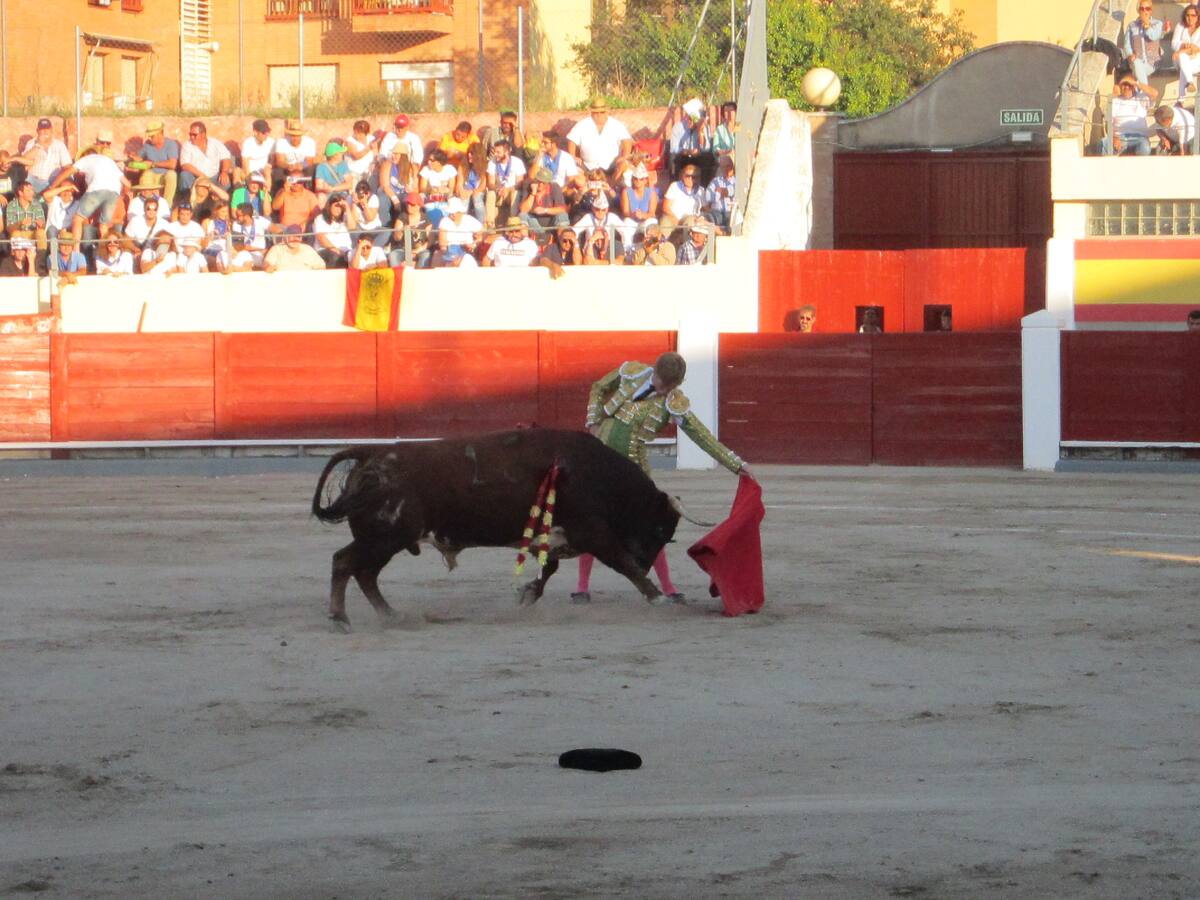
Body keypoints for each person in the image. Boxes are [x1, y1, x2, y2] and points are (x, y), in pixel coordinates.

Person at [573, 351, 753, 603]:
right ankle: (581, 588)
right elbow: (599, 387)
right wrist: (592, 421)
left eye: (667, 385)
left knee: (652, 527)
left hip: (634, 470)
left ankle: (667, 588)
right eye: (659, 380)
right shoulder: (632, 372)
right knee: (592, 520)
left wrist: (735, 464)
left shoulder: (674, 402)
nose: (661, 387)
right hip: (601, 461)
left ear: (675, 385)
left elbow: (701, 436)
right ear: (654, 371)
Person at [49, 140, 128, 245]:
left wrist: (52, 186)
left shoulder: (85, 160)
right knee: (102, 226)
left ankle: (76, 251)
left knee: (77, 219)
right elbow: (127, 183)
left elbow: (66, 173)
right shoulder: (110, 165)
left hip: (98, 191)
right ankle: (104, 250)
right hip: (113, 192)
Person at [566, 99, 634, 180]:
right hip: (587, 166)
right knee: (571, 166)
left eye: (602, 112)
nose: (599, 115)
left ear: (606, 112)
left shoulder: (616, 125)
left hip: (611, 166)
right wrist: (573, 156)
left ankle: (612, 186)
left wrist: (624, 156)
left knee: (625, 165)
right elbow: (571, 141)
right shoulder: (582, 124)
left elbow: (626, 141)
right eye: (596, 112)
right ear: (591, 113)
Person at [16, 118, 72, 195]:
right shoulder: (32, 143)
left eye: (47, 129)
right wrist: (38, 145)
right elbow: (24, 159)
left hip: (53, 181)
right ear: (37, 130)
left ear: (51, 130)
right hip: (34, 181)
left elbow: (67, 166)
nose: (45, 132)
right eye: (42, 129)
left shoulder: (59, 145)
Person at [1106, 74, 1158, 156]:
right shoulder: (1115, 101)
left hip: (1140, 138)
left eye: (1129, 84)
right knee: (1104, 146)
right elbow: (1108, 123)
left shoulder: (1141, 98)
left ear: (1134, 86)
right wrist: (1114, 138)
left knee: (1145, 148)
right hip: (1120, 138)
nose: (1126, 87)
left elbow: (1155, 94)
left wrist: (1136, 83)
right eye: (1124, 85)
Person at [1124, 1, 1171, 85]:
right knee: (1137, 63)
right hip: (1136, 61)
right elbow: (1127, 44)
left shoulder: (1157, 24)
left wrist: (1147, 25)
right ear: (1138, 11)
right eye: (1142, 9)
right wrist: (1130, 54)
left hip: (1152, 62)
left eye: (1147, 9)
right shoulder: (1132, 25)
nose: (1145, 11)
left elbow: (1153, 36)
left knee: (1137, 71)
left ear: (1151, 10)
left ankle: (1144, 92)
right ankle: (1145, 94)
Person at [179, 121, 232, 193]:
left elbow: (226, 157)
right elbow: (185, 165)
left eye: (194, 135)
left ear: (203, 134)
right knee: (184, 175)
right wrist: (202, 177)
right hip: (196, 178)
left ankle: (218, 202)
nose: (191, 137)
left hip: (214, 177)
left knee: (226, 182)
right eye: (190, 134)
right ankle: (187, 201)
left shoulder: (215, 143)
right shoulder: (187, 145)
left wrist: (224, 172)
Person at [136, 121, 180, 204]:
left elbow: (172, 164)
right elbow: (139, 158)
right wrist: (134, 159)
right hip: (151, 174)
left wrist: (153, 164)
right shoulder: (147, 145)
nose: (150, 138)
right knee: (146, 175)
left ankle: (167, 205)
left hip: (164, 175)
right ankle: (146, 204)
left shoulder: (171, 144)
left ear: (160, 134)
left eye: (152, 136)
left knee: (172, 175)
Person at [486, 139, 526, 228]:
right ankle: (490, 224)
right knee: (490, 193)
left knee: (516, 193)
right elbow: (490, 183)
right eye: (494, 151)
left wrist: (507, 190)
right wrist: (497, 189)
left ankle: (513, 222)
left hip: (511, 193)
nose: (495, 154)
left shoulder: (517, 162)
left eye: (498, 152)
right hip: (498, 193)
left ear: (507, 152)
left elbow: (520, 183)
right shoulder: (492, 162)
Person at [433, 196, 482, 268]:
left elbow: (480, 234)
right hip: (450, 250)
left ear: (460, 212)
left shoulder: (469, 220)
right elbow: (442, 244)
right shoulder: (444, 221)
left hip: (466, 250)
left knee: (467, 261)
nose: (452, 215)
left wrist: (473, 244)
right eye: (451, 213)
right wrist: (449, 254)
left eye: (455, 212)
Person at [618, 163, 659, 247]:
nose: (638, 181)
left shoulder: (651, 192)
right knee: (626, 223)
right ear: (632, 179)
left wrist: (643, 215)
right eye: (636, 179)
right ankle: (627, 250)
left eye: (641, 179)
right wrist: (633, 214)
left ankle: (651, 250)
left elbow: (652, 213)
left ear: (645, 180)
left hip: (646, 220)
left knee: (652, 223)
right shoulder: (626, 191)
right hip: (632, 220)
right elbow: (625, 212)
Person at [313, 194, 357, 268]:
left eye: (340, 207)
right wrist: (337, 251)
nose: (338, 209)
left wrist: (347, 207)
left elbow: (352, 227)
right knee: (335, 257)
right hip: (326, 251)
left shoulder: (344, 218)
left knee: (357, 256)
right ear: (329, 206)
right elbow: (321, 238)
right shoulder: (320, 219)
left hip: (345, 251)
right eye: (336, 206)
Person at [519, 166, 569, 232]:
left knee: (562, 216)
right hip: (534, 221)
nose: (540, 184)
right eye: (538, 181)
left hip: (551, 222)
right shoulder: (528, 186)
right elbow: (523, 210)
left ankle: (563, 239)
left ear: (548, 183)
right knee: (522, 216)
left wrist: (545, 210)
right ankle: (525, 240)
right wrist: (533, 192)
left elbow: (562, 209)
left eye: (543, 182)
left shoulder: (554, 187)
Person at [660, 164, 704, 234]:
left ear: (698, 178)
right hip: (672, 217)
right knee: (665, 222)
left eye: (694, 177)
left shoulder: (701, 191)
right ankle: (662, 244)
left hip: (690, 219)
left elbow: (705, 209)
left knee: (690, 221)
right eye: (687, 176)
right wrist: (675, 219)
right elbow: (665, 207)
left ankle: (687, 244)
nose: (690, 179)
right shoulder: (674, 186)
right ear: (683, 176)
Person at [273, 119, 318, 183]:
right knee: (278, 170)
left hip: (302, 167)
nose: (295, 138)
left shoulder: (310, 142)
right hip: (287, 168)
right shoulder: (281, 142)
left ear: (301, 135)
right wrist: (287, 166)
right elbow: (279, 161)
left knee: (310, 169)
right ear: (289, 135)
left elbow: (310, 161)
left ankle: (308, 189)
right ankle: (278, 191)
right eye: (293, 135)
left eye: (298, 136)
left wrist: (302, 165)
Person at [1172, 4, 1200, 96]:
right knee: (1183, 58)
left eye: (1193, 15)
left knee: (1184, 68)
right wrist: (1182, 45)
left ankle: (1180, 100)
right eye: (1187, 15)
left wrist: (1181, 51)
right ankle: (1190, 82)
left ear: (1197, 16)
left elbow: (1196, 49)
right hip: (1181, 60)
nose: (1190, 18)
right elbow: (1173, 43)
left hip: (1196, 61)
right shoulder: (1180, 26)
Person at [240, 118, 275, 186]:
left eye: (267, 132)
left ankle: (267, 194)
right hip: (250, 172)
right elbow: (245, 164)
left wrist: (269, 165)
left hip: (264, 171)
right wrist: (249, 177)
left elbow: (273, 158)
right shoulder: (248, 143)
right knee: (236, 172)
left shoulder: (270, 142)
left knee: (267, 171)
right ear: (255, 132)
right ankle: (239, 195)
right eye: (264, 133)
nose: (266, 135)